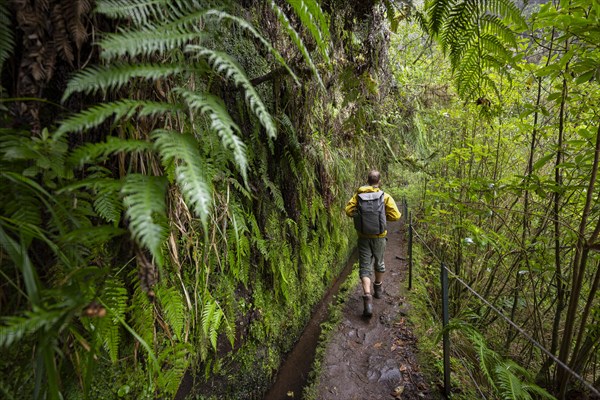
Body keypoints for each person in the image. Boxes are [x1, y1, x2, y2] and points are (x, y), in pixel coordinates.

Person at [345, 170, 401, 317]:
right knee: (379, 262)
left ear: (367, 180)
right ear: (379, 181)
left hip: (363, 236)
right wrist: (382, 217)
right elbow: (396, 215)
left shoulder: (358, 196)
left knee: (365, 266)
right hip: (379, 236)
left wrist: (360, 217)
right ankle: (378, 288)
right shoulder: (385, 197)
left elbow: (348, 211)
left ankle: (367, 297)